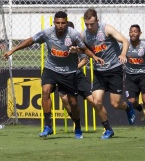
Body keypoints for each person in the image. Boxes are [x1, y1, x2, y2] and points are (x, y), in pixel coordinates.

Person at [3, 11, 103, 139]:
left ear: (66, 23)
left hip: (68, 71)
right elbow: (30, 41)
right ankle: (48, 126)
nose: (60, 25)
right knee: (45, 91)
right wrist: (13, 50)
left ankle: (77, 127)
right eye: (58, 23)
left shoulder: (73, 34)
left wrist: (94, 56)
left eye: (63, 23)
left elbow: (84, 49)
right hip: (51, 69)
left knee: (73, 102)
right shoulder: (47, 33)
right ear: (54, 23)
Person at [81, 8, 136, 139]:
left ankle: (128, 107)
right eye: (87, 24)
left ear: (97, 21)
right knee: (96, 101)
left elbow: (125, 41)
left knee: (115, 104)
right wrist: (73, 50)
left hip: (114, 69)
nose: (89, 27)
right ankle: (108, 129)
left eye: (92, 24)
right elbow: (80, 49)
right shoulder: (83, 35)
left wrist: (123, 54)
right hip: (99, 72)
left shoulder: (107, 29)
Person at [59, 21, 95, 130]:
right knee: (65, 99)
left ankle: (106, 125)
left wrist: (73, 68)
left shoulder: (78, 44)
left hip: (78, 76)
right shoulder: (58, 44)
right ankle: (76, 122)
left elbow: (85, 60)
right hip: (65, 78)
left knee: (93, 100)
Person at [125, 24, 145, 129]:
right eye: (131, 31)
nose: (133, 33)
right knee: (132, 102)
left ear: (140, 33)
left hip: (143, 75)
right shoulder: (125, 45)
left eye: (135, 31)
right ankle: (139, 109)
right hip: (130, 76)